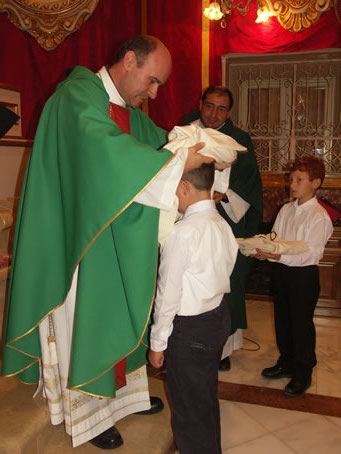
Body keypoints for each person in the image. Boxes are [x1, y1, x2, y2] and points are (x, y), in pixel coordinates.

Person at [1, 35, 212, 449]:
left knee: (120, 310)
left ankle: (124, 398)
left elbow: (161, 143)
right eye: (151, 81)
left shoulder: (126, 111)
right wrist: (176, 162)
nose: (152, 94)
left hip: (110, 235)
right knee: (88, 320)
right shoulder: (77, 97)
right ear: (130, 60)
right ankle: (91, 416)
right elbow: (104, 148)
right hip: (77, 242)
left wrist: (196, 147)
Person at [149, 163, 238, 454]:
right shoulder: (222, 224)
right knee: (204, 397)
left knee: (188, 409)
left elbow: (168, 294)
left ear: (184, 188)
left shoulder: (182, 233)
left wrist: (157, 342)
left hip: (189, 329)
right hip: (217, 317)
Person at [182, 86, 263, 370]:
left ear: (229, 112)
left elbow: (250, 184)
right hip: (187, 215)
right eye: (210, 106)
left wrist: (225, 194)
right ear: (200, 103)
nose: (214, 114)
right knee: (188, 276)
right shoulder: (184, 131)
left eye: (221, 109)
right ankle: (183, 340)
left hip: (225, 219)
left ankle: (224, 350)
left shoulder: (240, 140)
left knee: (224, 280)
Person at [256, 156, 333, 396]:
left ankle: (303, 372)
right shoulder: (286, 210)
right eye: (291, 179)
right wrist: (266, 251)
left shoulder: (318, 217)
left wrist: (281, 257)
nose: (292, 184)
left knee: (301, 325)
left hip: (303, 276)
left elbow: (312, 253)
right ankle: (286, 362)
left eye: (299, 180)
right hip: (282, 272)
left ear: (316, 183)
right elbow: (276, 239)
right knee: (283, 320)